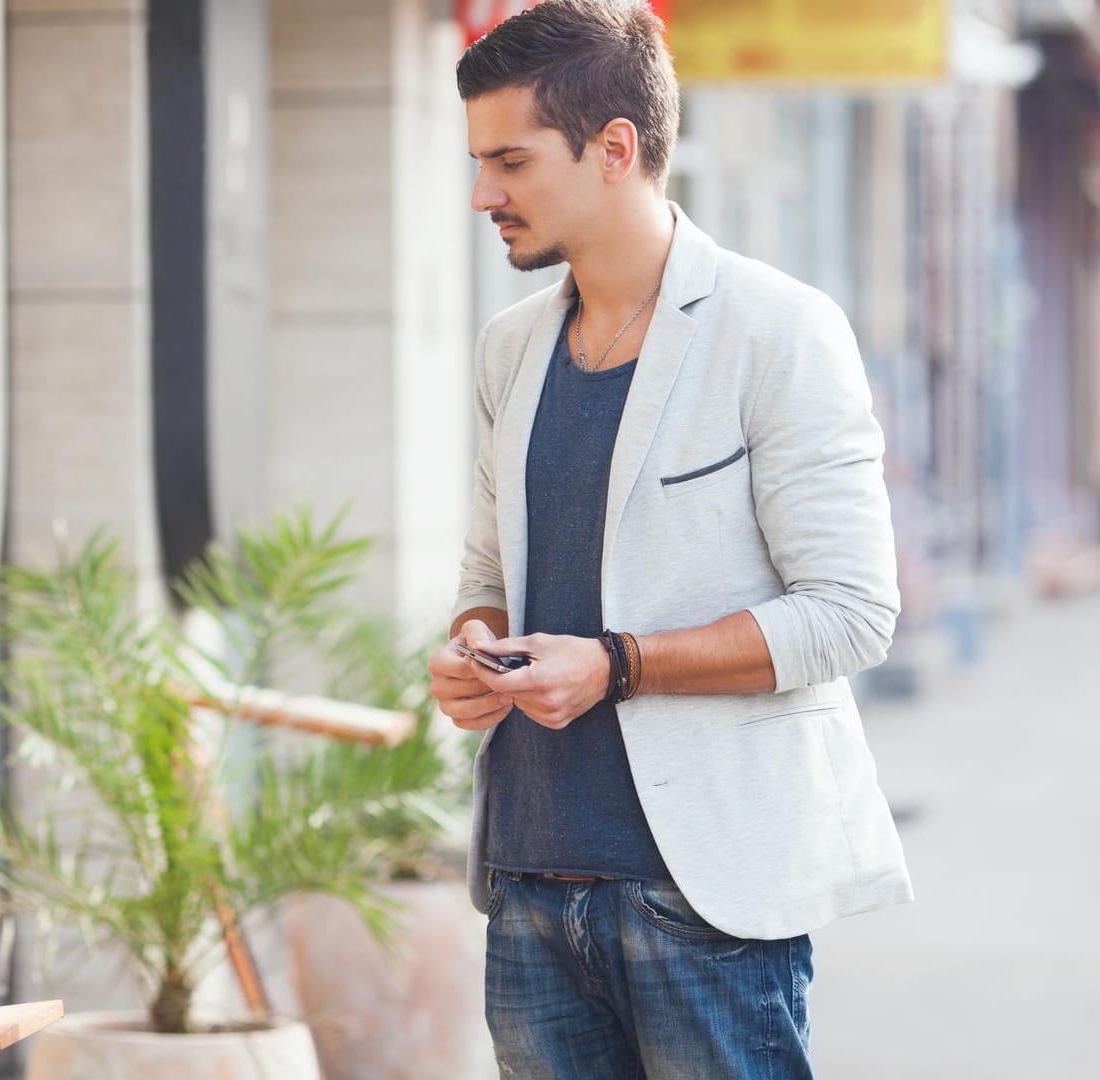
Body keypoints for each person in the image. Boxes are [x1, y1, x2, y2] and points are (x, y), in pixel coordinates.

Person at [426, 2, 912, 1076]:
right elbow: (486, 574)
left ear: (615, 149)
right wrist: (474, 645)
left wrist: (618, 666)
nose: (482, 195)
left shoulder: (778, 330)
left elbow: (850, 613)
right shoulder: (511, 349)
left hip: (707, 897)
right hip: (529, 886)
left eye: (509, 161)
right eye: (477, 162)